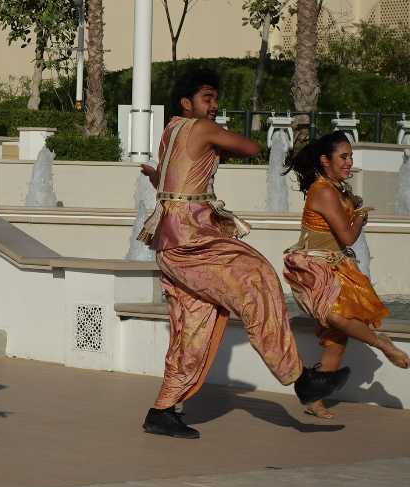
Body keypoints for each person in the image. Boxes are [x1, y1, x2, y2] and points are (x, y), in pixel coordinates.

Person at [136, 68, 349, 438]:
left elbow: (173, 179)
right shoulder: (199, 127)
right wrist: (223, 141)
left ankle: (163, 410)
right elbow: (252, 147)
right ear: (187, 103)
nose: (215, 105)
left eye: (216, 98)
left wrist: (161, 176)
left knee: (194, 327)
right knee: (257, 277)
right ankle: (300, 379)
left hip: (174, 244)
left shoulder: (171, 130)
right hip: (190, 242)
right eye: (208, 98)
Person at [282, 132, 409, 418]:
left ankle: (314, 398)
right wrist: (360, 218)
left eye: (350, 156)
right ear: (325, 161)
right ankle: (382, 344)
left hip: (336, 267)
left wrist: (355, 209)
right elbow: (348, 237)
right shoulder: (324, 190)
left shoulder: (337, 188)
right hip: (313, 269)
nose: (349, 162)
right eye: (344, 156)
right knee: (335, 316)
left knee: (336, 336)